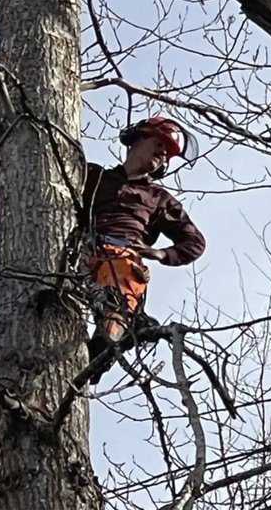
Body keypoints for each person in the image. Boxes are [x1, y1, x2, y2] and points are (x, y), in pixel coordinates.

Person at [82, 116, 205, 383]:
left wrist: (162, 254)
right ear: (136, 141)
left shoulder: (158, 198)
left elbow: (194, 242)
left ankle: (102, 349)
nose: (162, 153)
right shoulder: (93, 176)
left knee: (120, 296)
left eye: (167, 153)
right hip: (82, 252)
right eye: (159, 143)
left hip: (123, 257)